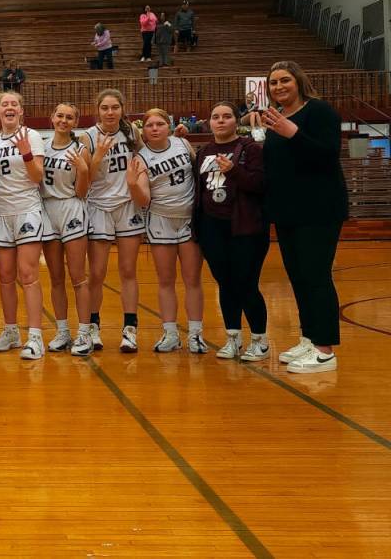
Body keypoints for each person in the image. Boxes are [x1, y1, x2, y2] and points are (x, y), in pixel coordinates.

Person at [260, 61, 348, 373]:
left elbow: (327, 155)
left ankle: (324, 350)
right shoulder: (276, 117)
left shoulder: (319, 111)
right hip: (288, 211)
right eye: (273, 83)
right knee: (297, 277)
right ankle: (309, 337)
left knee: (316, 275)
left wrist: (293, 133)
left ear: (298, 81)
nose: (279, 87)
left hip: (319, 209)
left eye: (285, 80)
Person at [193, 102, 269, 361]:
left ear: (237, 121)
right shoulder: (203, 152)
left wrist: (234, 170)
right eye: (215, 117)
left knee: (246, 284)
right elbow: (199, 192)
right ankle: (233, 338)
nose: (221, 121)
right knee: (225, 284)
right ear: (209, 122)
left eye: (227, 116)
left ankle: (260, 340)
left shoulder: (250, 149)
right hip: (213, 228)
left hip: (245, 228)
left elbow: (260, 184)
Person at [128, 108, 205, 354]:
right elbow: (143, 199)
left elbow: (198, 175)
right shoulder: (141, 157)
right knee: (166, 280)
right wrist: (132, 185)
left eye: (160, 123)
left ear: (168, 126)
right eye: (149, 125)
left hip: (189, 219)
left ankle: (196, 334)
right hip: (161, 219)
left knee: (192, 279)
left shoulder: (182, 144)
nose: (154, 128)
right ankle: (170, 333)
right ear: (144, 130)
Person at [79, 89, 144, 355]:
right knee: (97, 273)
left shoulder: (132, 134)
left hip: (127, 205)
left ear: (122, 109)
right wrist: (98, 156)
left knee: (128, 271)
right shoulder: (87, 137)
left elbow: (143, 160)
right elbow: (85, 180)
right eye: (105, 108)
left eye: (114, 107)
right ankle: (93, 326)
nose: (109, 112)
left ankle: (130, 330)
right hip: (98, 207)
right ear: (98, 110)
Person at [0, 92, 46, 359]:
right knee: (5, 276)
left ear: (21, 110)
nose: (9, 108)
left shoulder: (31, 136)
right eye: (4, 105)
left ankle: (35, 336)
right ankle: (11, 332)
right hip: (0, 212)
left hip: (26, 211)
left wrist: (26, 154)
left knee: (28, 274)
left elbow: (37, 177)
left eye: (14, 104)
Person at [40, 102, 93, 353]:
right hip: (47, 210)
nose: (63, 120)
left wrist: (83, 170)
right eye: (60, 115)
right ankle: (62, 331)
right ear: (52, 118)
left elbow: (82, 192)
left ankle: (84, 333)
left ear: (75, 122)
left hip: (71, 207)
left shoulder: (80, 149)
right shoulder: (41, 146)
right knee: (55, 278)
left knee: (78, 277)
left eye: (69, 117)